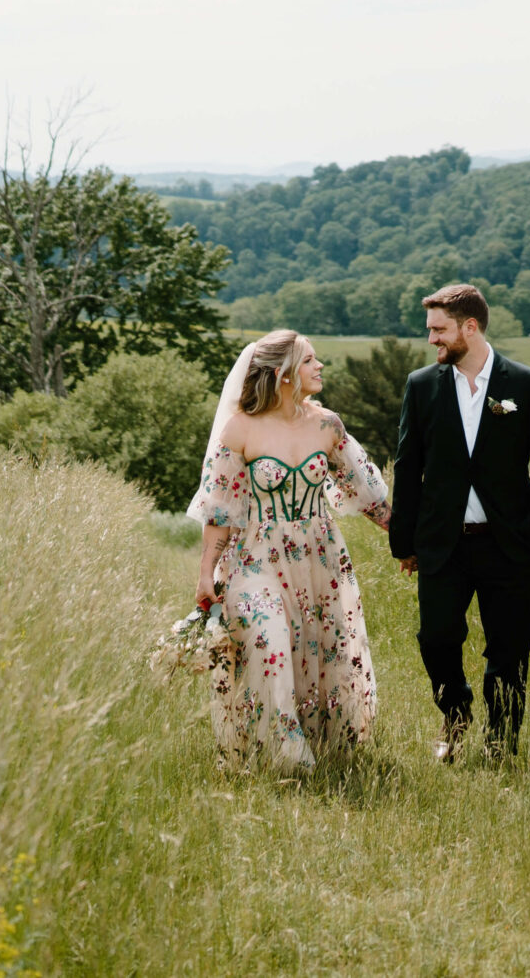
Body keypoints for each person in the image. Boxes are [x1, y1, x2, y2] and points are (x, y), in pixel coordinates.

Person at [189, 328, 393, 773]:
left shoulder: (327, 423)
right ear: (282, 374)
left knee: (322, 650)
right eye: (309, 361)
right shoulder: (240, 427)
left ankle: (327, 742)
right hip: (255, 557)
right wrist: (206, 574)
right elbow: (220, 509)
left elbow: (368, 490)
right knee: (271, 642)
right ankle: (286, 755)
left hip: (319, 557)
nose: (320, 367)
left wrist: (407, 544)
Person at [387, 283, 530, 761]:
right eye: (431, 331)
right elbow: (407, 468)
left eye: (439, 330)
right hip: (442, 545)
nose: (432, 340)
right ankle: (456, 712)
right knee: (436, 638)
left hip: (509, 545)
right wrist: (405, 543)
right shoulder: (422, 385)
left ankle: (501, 743)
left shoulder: (526, 385)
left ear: (470, 327)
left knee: (508, 651)